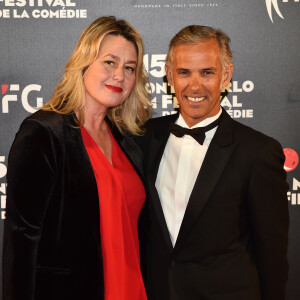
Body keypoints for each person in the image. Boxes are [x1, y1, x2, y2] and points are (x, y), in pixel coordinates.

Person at [3, 16, 152, 300]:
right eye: (110, 62)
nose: (120, 75)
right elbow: (21, 243)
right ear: (84, 62)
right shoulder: (44, 134)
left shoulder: (128, 143)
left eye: (129, 68)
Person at [140, 25, 289, 300]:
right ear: (170, 75)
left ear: (226, 76)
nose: (195, 86)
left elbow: (273, 256)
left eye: (207, 72)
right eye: (184, 72)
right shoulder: (144, 138)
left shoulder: (258, 151)